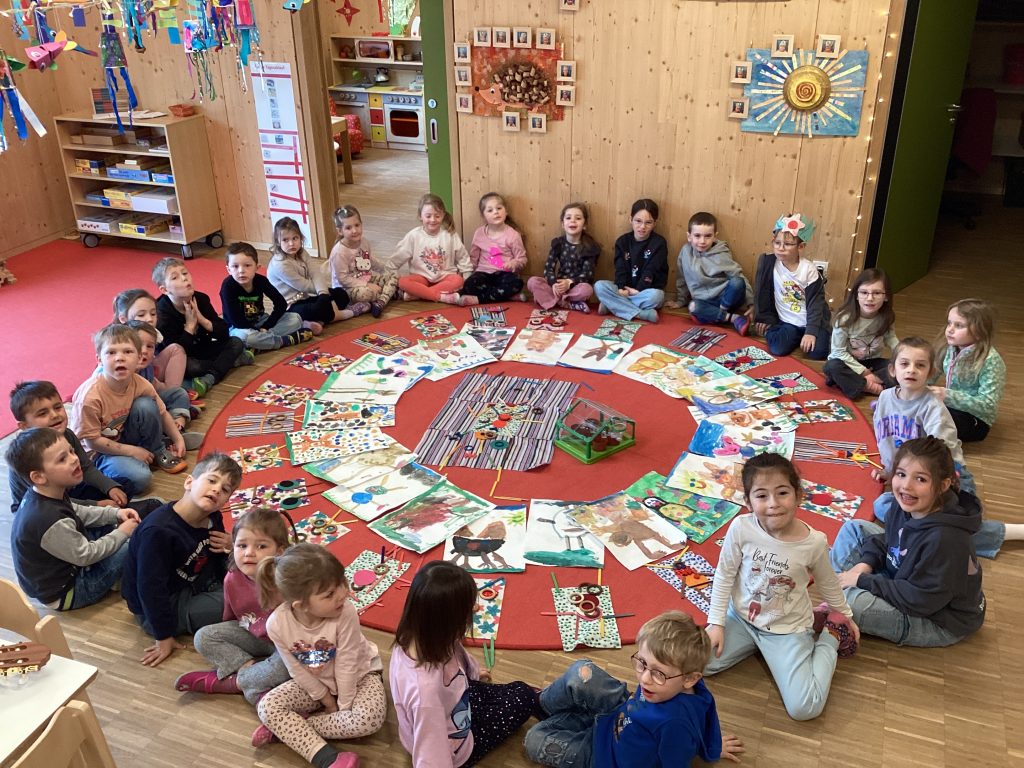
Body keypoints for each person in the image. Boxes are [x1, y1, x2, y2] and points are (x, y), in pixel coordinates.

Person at [704, 453, 858, 721]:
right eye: (761, 496)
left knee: (804, 708)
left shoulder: (814, 543)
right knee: (698, 663)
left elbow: (828, 582)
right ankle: (757, 647)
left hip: (787, 630)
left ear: (798, 496)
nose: (773, 503)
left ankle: (830, 632)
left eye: (782, 493)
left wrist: (845, 616)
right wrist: (716, 623)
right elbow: (724, 574)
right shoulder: (740, 527)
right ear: (748, 502)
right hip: (741, 619)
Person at [524, 610, 744, 767]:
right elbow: (706, 719)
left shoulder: (675, 725)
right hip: (618, 713)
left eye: (659, 673)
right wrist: (712, 746)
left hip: (602, 758)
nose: (644, 679)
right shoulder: (683, 686)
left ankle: (557, 711)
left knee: (533, 739)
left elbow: (679, 752)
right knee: (581, 672)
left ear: (689, 679)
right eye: (642, 663)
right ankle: (543, 705)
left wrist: (704, 750)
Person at [873, 337, 1023, 559]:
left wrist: (939, 487)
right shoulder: (885, 398)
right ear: (893, 370)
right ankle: (927, 530)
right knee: (882, 504)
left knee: (939, 530)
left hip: (947, 479)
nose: (911, 370)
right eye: (904, 364)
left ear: (931, 372)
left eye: (920, 365)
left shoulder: (932, 407)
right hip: (914, 481)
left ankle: (1013, 531)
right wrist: (892, 471)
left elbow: (943, 455)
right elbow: (886, 439)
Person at [830, 437, 985, 646]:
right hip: (904, 578)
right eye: (901, 474)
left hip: (936, 618)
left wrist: (862, 581)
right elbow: (890, 542)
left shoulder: (946, 540)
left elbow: (920, 601)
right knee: (853, 528)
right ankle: (840, 594)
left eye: (920, 479)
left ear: (943, 485)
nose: (906, 486)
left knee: (850, 602)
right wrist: (864, 565)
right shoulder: (906, 504)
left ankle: (839, 599)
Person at [390, 561, 540, 767]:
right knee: (525, 697)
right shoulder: (425, 694)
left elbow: (456, 654)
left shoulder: (420, 636)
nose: (474, 610)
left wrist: (473, 672)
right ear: (447, 622)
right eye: (467, 610)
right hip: (455, 747)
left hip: (454, 705)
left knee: (521, 692)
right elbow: (431, 760)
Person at [252, 545, 386, 768]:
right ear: (301, 605)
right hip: (317, 681)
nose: (343, 594)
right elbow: (295, 669)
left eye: (342, 582)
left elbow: (347, 663)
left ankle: (289, 730)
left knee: (368, 720)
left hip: (361, 675)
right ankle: (310, 745)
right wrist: (325, 699)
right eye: (329, 594)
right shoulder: (276, 624)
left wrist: (343, 707)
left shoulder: (345, 612)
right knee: (267, 707)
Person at [121, 451, 243, 667]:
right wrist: (163, 636)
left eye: (225, 489)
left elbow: (217, 557)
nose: (217, 489)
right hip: (163, 606)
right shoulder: (158, 531)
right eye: (211, 480)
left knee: (248, 576)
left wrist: (231, 553)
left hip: (192, 580)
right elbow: (150, 589)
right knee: (242, 600)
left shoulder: (212, 516)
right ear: (189, 483)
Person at [7, 427, 139, 609]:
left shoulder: (44, 493)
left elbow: (78, 512)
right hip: (69, 591)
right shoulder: (50, 520)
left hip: (65, 567)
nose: (75, 458)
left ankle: (116, 570)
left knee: (114, 530)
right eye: (62, 459)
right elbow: (86, 555)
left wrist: (114, 514)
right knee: (133, 543)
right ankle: (115, 578)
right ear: (38, 477)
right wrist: (122, 533)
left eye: (71, 451)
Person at [175, 507, 291, 705]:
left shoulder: (287, 580)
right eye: (242, 545)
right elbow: (230, 617)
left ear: (279, 551)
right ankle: (253, 675)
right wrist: (230, 641)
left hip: (287, 642)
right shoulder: (232, 577)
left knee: (290, 664)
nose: (249, 553)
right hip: (255, 635)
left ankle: (233, 683)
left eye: (261, 546)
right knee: (203, 637)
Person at [69, 324, 188, 497]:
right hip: (97, 454)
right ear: (99, 359)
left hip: (122, 436)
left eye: (127, 352)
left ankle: (157, 450)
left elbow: (162, 413)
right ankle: (108, 477)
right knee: (141, 477)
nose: (120, 358)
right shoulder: (90, 397)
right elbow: (92, 442)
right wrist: (132, 451)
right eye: (111, 352)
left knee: (146, 405)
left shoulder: (140, 383)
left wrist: (178, 439)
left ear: (139, 358)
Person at [9, 380, 128, 513]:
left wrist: (110, 487)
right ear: (24, 426)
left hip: (69, 489)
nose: (54, 415)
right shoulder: (26, 456)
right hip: (43, 507)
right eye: (43, 413)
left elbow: (86, 468)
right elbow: (49, 500)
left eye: (57, 407)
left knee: (124, 486)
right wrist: (96, 505)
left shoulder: (67, 435)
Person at [152, 257, 250, 396]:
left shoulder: (200, 299)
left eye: (185, 273)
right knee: (193, 367)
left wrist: (203, 320)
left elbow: (224, 333)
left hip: (203, 349)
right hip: (183, 358)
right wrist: (190, 327)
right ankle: (228, 363)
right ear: (164, 289)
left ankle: (211, 375)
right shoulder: (161, 313)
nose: (184, 278)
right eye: (175, 277)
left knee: (236, 342)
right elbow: (175, 353)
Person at [752, 213, 831, 359]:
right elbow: (761, 292)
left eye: (787, 244)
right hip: (788, 322)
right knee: (777, 348)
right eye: (777, 243)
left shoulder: (808, 270)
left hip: (810, 321)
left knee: (819, 353)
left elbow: (816, 303)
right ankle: (780, 332)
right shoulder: (768, 263)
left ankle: (807, 336)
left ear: (801, 247)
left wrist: (811, 332)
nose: (780, 248)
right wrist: (764, 317)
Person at [931, 298, 1005, 443]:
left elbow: (988, 406)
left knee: (936, 419)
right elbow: (931, 374)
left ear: (978, 331)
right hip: (950, 406)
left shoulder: (991, 361)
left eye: (959, 325)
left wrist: (948, 395)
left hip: (977, 420)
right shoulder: (949, 348)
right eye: (949, 323)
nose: (950, 329)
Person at [667, 211, 753, 335]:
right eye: (697, 236)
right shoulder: (685, 252)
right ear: (689, 236)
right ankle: (732, 318)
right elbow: (682, 277)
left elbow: (739, 276)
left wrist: (751, 304)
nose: (702, 241)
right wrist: (681, 300)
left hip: (726, 299)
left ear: (715, 236)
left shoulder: (722, 253)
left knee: (737, 282)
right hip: (704, 301)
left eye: (708, 236)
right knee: (693, 307)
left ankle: (716, 315)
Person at [125, 320, 203, 451]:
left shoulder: (146, 368)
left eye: (150, 346)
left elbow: (155, 388)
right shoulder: (121, 373)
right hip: (132, 417)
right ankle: (159, 439)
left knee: (178, 393)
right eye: (138, 345)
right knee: (146, 405)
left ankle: (177, 425)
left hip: (151, 405)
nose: (144, 351)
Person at [269, 216, 363, 324]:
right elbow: (303, 285)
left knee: (341, 294)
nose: (291, 243)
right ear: (278, 242)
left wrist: (323, 293)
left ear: (300, 238)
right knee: (317, 308)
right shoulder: (280, 265)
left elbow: (315, 273)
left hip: (306, 297)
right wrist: (324, 297)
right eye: (285, 240)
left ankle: (319, 320)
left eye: (295, 238)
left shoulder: (301, 252)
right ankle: (344, 314)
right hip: (290, 306)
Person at [221, 242, 312, 351]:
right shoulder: (228, 287)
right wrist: (256, 331)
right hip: (239, 328)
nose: (241, 271)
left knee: (295, 318)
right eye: (235, 266)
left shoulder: (261, 281)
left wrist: (266, 326)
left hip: (260, 321)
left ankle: (261, 344)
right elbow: (235, 320)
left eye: (247, 265)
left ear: (257, 267)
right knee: (247, 338)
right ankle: (283, 341)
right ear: (228, 270)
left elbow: (281, 304)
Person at [823, 268, 898, 398]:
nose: (870, 298)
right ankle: (871, 387)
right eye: (864, 292)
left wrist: (904, 354)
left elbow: (891, 338)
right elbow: (838, 352)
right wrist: (864, 372)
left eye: (877, 293)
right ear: (856, 295)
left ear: (886, 296)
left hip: (873, 363)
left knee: (898, 367)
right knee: (832, 367)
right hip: (847, 363)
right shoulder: (844, 319)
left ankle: (855, 383)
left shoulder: (887, 316)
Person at [594, 198, 668, 323]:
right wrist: (620, 288)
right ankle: (641, 314)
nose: (642, 227)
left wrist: (638, 290)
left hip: (645, 292)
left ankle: (612, 305)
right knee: (599, 286)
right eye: (638, 221)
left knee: (658, 296)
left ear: (655, 223)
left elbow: (651, 271)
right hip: (624, 290)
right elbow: (620, 268)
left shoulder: (659, 243)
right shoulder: (622, 241)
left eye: (648, 222)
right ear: (630, 219)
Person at [390, 193, 473, 304]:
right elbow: (396, 259)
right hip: (421, 279)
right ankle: (441, 297)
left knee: (458, 280)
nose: (433, 220)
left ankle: (418, 295)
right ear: (420, 216)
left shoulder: (450, 234)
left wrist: (467, 277)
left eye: (437, 216)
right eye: (428, 216)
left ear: (443, 215)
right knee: (403, 282)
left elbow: (463, 257)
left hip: (445, 278)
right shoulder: (413, 236)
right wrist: (391, 271)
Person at [113, 288, 191, 395]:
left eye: (153, 314)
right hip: (131, 383)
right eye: (141, 315)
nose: (149, 319)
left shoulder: (155, 332)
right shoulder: (117, 339)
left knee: (176, 349)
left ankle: (173, 392)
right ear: (123, 319)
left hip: (150, 373)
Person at [327, 205, 399, 319]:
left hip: (365, 279)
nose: (354, 230)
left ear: (361, 224)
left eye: (357, 225)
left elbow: (369, 260)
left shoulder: (364, 242)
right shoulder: (339, 252)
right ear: (340, 231)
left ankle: (380, 302)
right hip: (346, 289)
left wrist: (386, 269)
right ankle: (388, 294)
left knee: (394, 276)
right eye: (348, 228)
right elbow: (343, 279)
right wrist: (367, 285)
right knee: (367, 293)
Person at [527, 202, 601, 313]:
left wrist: (569, 282)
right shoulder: (558, 243)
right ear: (563, 224)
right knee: (532, 282)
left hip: (575, 287)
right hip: (557, 286)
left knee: (587, 289)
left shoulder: (589, 247)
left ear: (585, 225)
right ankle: (567, 303)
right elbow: (548, 268)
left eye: (578, 218)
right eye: (568, 218)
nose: (573, 221)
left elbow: (587, 275)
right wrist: (553, 284)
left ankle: (553, 301)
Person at [457, 192, 527, 306]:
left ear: (506, 211)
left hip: (504, 274)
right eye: (490, 210)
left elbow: (522, 259)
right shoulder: (479, 233)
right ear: (484, 216)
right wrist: (467, 273)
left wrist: (514, 263)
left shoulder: (513, 235)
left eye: (499, 208)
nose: (496, 212)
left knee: (516, 283)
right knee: (469, 284)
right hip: (483, 273)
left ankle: (479, 299)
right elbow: (473, 258)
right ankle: (507, 296)